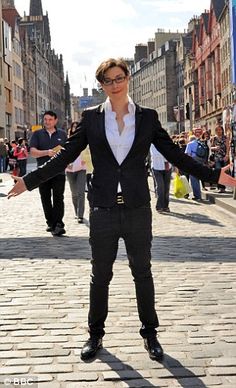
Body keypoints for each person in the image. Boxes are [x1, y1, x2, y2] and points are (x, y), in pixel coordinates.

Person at [8, 58, 236, 362]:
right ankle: (95, 335)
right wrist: (28, 181)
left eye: (119, 78)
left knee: (142, 273)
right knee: (100, 275)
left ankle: (150, 333)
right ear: (101, 85)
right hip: (102, 209)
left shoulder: (147, 118)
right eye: (108, 81)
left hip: (137, 208)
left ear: (127, 78)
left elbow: (177, 156)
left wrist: (217, 176)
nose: (115, 85)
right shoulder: (90, 119)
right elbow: (64, 158)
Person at [29, 110, 68, 236]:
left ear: (55, 120)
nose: (47, 122)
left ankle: (58, 224)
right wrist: (47, 152)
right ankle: (50, 222)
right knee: (45, 198)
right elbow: (33, 152)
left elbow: (68, 151)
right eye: (45, 119)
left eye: (50, 119)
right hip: (43, 172)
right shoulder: (37, 134)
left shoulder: (62, 134)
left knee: (58, 197)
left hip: (59, 172)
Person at [66, 122, 87, 223]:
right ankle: (76, 211)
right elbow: (61, 153)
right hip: (69, 169)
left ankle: (80, 215)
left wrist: (86, 159)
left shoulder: (85, 138)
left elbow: (90, 151)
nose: (75, 128)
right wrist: (66, 163)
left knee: (81, 193)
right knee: (74, 193)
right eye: (73, 126)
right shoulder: (66, 140)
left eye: (77, 127)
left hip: (81, 168)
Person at [150, 145, 172, 213]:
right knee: (160, 187)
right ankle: (159, 206)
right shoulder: (152, 144)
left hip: (168, 167)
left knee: (166, 188)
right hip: (157, 167)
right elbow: (155, 154)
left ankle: (165, 206)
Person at [211, 125, 229, 193]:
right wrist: (215, 148)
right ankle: (220, 187)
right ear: (215, 131)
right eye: (217, 130)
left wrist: (227, 155)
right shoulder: (214, 138)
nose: (218, 131)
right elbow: (211, 148)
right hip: (217, 158)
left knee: (224, 172)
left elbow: (228, 147)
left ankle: (223, 187)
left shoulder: (225, 138)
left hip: (224, 157)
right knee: (218, 172)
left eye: (220, 130)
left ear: (222, 130)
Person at [185, 135, 202, 201]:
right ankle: (199, 195)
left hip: (193, 162)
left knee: (194, 179)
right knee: (198, 178)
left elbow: (188, 155)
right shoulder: (200, 143)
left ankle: (197, 196)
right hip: (201, 162)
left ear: (190, 140)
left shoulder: (189, 144)